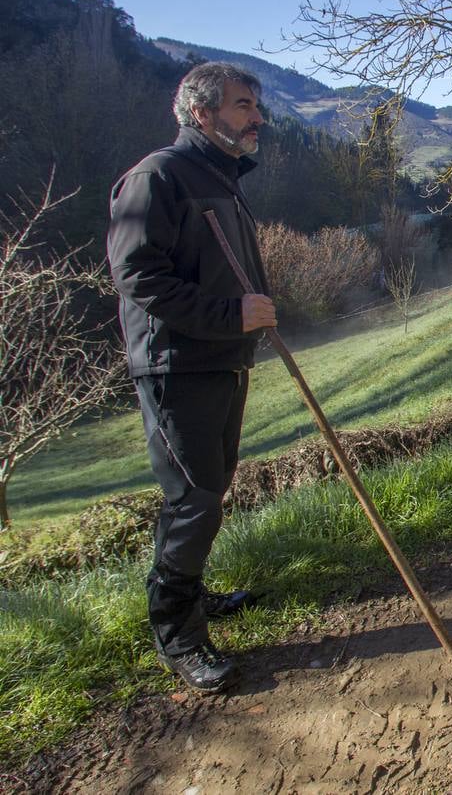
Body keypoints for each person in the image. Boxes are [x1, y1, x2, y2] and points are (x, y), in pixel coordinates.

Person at [107, 62, 276, 693]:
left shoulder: (220, 178)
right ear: (200, 113)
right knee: (193, 499)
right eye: (241, 105)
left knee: (212, 486)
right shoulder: (158, 177)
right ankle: (177, 634)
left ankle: (193, 595)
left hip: (221, 361)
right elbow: (138, 277)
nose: (256, 116)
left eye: (255, 105)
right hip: (176, 368)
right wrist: (231, 314)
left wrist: (246, 316)